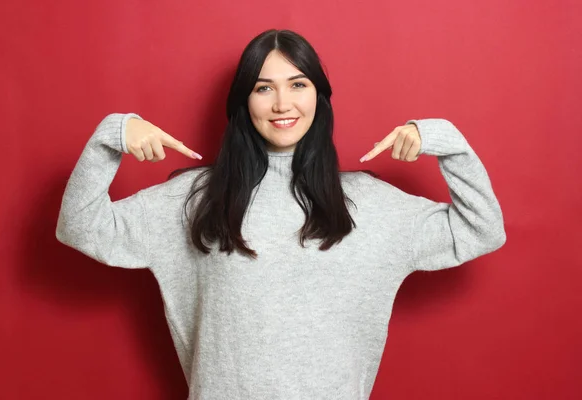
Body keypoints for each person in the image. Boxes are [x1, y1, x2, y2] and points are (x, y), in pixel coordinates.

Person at [56, 29, 506, 399]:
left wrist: (447, 142)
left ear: (319, 97)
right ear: (243, 103)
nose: (281, 104)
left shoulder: (370, 204)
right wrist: (110, 137)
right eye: (263, 88)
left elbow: (481, 229)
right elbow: (80, 227)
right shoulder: (195, 198)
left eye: (298, 84)